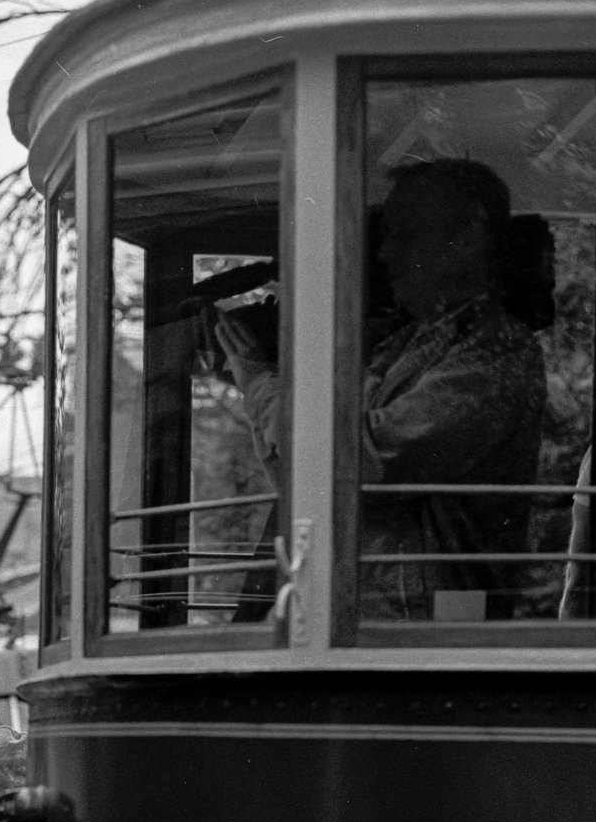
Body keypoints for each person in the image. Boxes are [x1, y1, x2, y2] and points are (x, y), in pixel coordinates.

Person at [218, 157, 547, 621]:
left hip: (424, 639)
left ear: (469, 236)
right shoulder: (404, 345)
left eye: (404, 234)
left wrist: (260, 385)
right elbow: (303, 479)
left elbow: (356, 461)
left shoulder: (496, 352)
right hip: (366, 619)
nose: (385, 254)